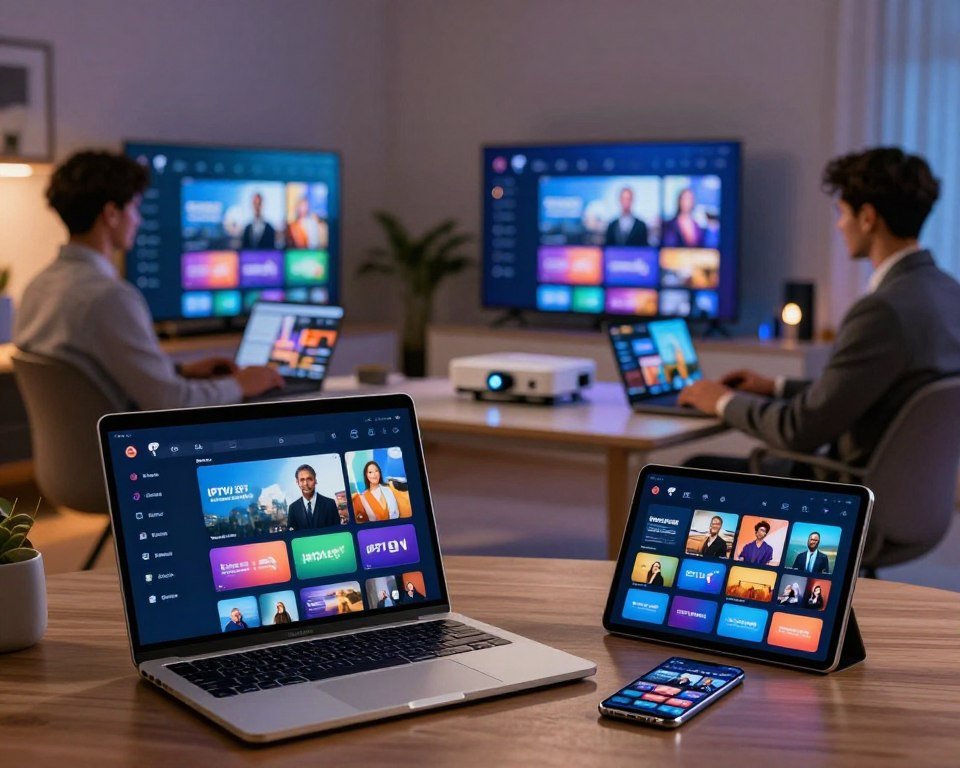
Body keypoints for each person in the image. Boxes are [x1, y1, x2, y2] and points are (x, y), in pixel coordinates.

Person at [678, 148, 960, 474]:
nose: (839, 225)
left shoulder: (882, 311)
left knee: (693, 470)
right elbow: (864, 392)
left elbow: (798, 430)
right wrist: (776, 387)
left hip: (844, 489)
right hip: (908, 489)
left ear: (867, 218)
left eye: (842, 213)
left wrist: (720, 400)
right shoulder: (947, 292)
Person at [14, 151, 284, 409]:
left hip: (75, 441)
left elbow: (94, 380)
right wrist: (239, 385)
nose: (138, 219)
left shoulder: (37, 287)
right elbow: (172, 403)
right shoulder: (109, 298)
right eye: (134, 207)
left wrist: (177, 371)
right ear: (111, 214)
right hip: (121, 441)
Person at [288, 464, 341, 530]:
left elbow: (338, 531)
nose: (306, 484)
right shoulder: (293, 508)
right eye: (302, 480)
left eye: (309, 479)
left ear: (315, 480)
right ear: (297, 483)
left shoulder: (330, 504)